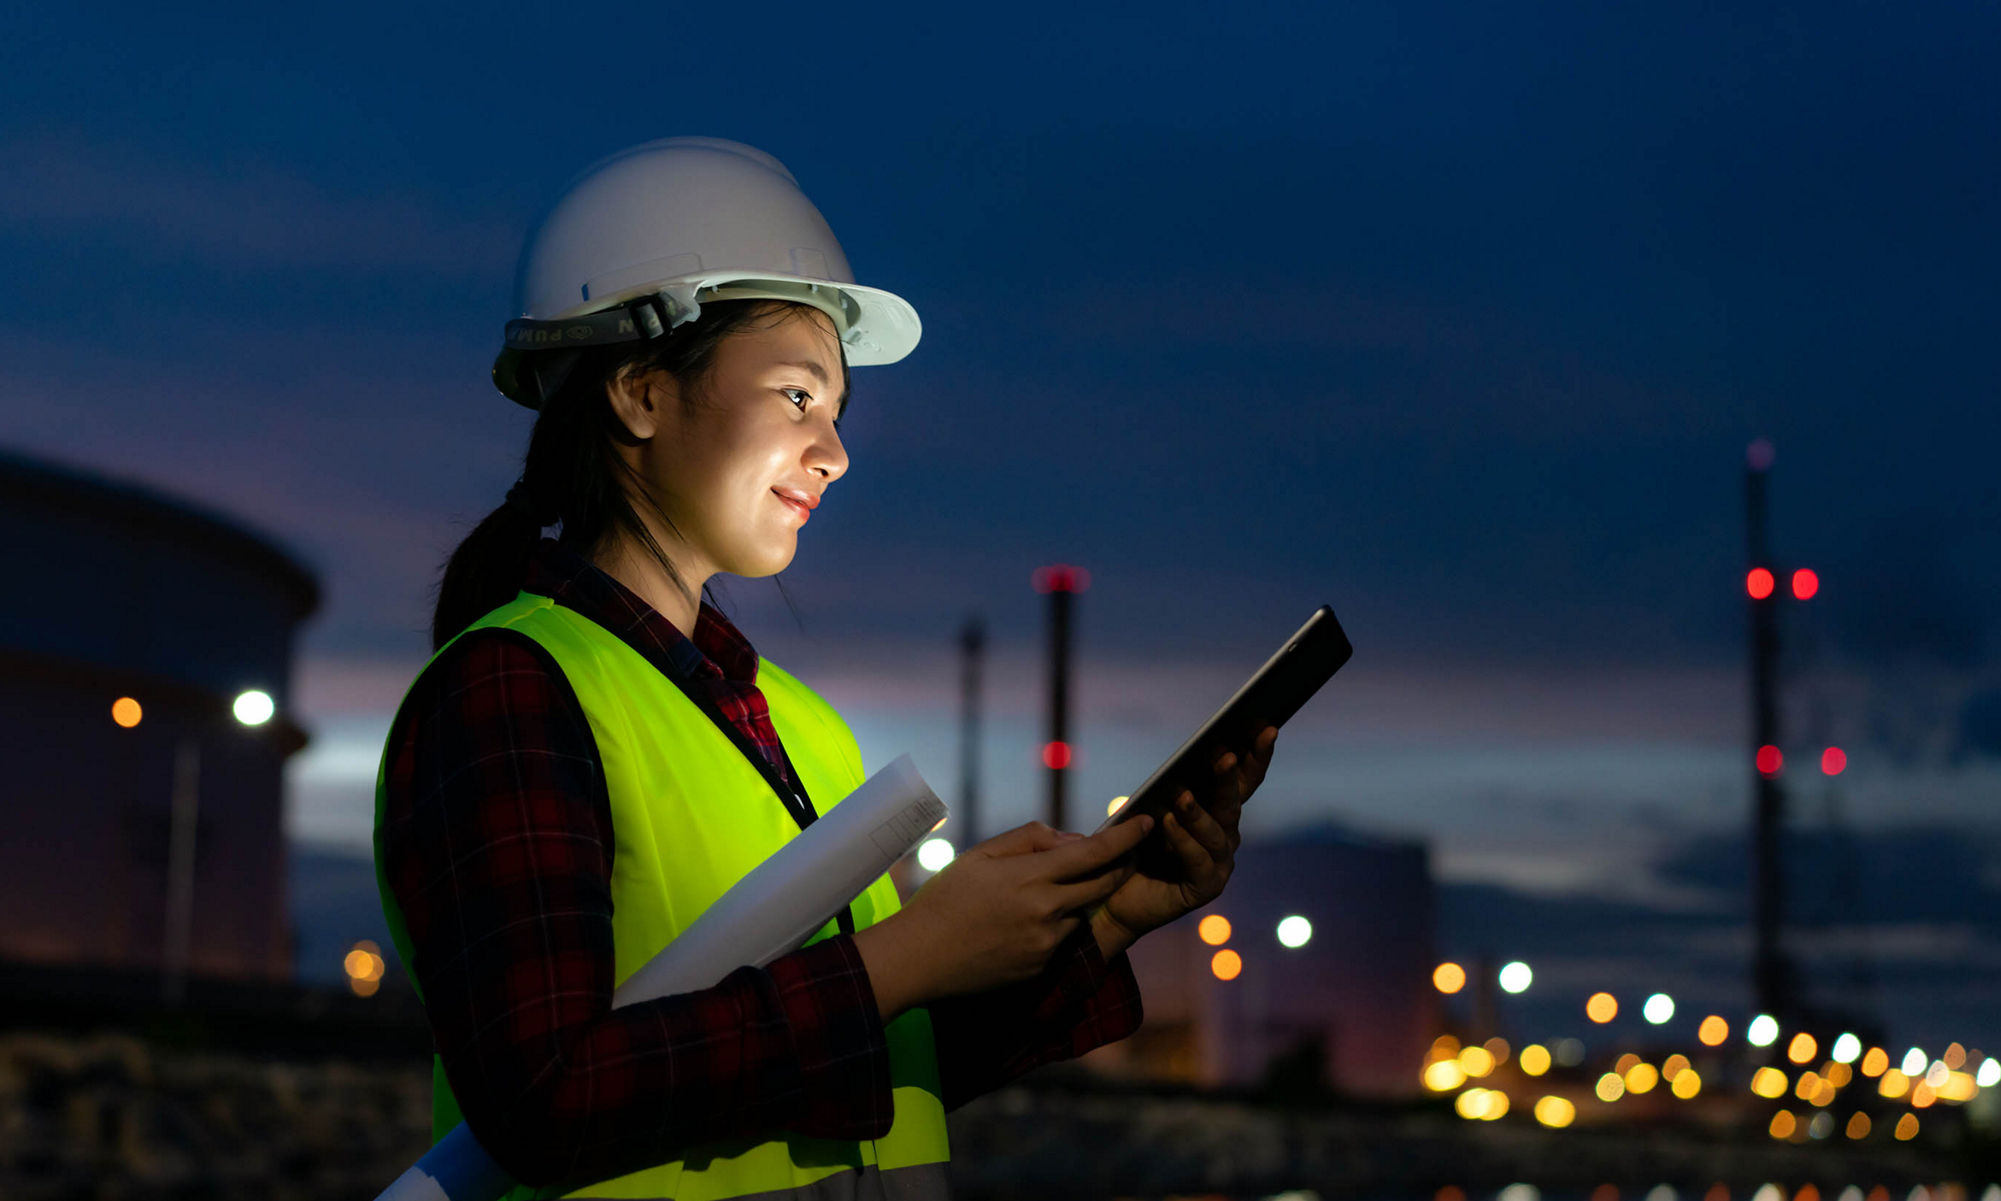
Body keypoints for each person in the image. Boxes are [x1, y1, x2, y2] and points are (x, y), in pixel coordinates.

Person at [372, 137, 1278, 1201]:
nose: (836, 450)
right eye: (800, 397)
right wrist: (909, 957)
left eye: (838, 411)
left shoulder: (798, 726)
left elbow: (868, 1070)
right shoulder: (511, 691)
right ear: (640, 392)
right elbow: (543, 1099)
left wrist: (1113, 913)